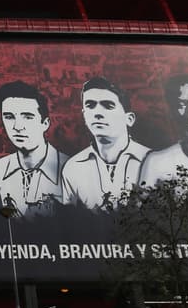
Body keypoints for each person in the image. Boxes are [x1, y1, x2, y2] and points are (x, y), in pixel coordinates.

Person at [61, 77, 150, 209]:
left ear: (129, 119)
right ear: (84, 115)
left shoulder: (151, 161)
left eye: (108, 106)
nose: (97, 113)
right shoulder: (73, 168)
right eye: (90, 105)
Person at [0, 81, 66, 215]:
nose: (17, 126)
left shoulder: (69, 168)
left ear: (45, 123)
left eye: (28, 117)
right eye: (9, 117)